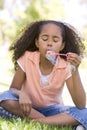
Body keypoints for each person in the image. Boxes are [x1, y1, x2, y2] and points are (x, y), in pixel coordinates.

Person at [0, 20, 87, 129]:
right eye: (45, 39)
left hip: (53, 110)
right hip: (27, 107)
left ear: (62, 46)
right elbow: (13, 89)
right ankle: (54, 123)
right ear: (37, 42)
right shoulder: (27, 57)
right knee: (4, 97)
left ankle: (39, 121)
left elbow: (81, 104)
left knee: (85, 112)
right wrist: (22, 94)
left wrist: (75, 70)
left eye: (55, 40)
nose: (49, 43)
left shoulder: (66, 66)